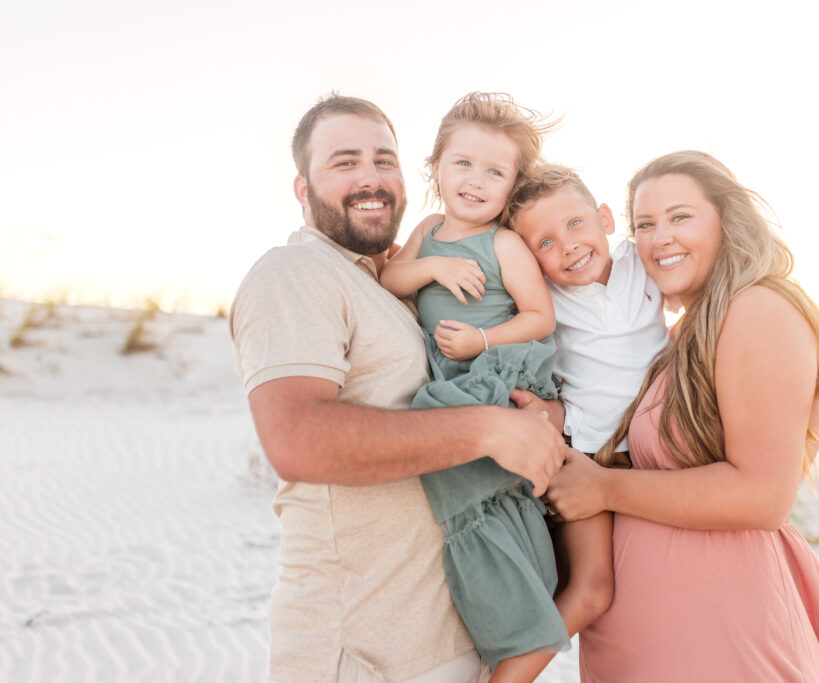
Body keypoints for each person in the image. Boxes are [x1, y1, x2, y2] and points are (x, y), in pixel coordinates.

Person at [229, 93, 565, 683]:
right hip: (359, 652)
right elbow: (298, 439)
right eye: (344, 161)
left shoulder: (384, 286)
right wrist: (489, 429)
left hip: (446, 640)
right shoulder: (295, 273)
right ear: (303, 189)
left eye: (385, 160)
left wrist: (540, 411)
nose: (370, 177)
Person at [542, 151, 819, 681]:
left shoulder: (757, 309)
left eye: (679, 217)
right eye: (644, 225)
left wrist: (603, 490)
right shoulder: (683, 335)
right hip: (658, 644)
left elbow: (762, 495)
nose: (658, 238)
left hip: (721, 639)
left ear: (726, 219)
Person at [379, 92, 574, 679]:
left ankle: (517, 608)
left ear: (511, 186)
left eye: (495, 171)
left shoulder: (504, 244)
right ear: (436, 166)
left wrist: (481, 344)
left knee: (488, 496)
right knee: (456, 492)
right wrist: (433, 267)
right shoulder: (428, 231)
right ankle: (494, 609)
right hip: (453, 380)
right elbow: (392, 278)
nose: (476, 180)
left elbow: (540, 317)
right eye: (462, 163)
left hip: (490, 373)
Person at [502, 163, 671, 679]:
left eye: (575, 224)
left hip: (656, 450)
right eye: (545, 243)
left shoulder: (643, 265)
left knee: (658, 580)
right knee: (593, 590)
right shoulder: (544, 302)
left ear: (604, 218)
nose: (568, 246)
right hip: (585, 451)